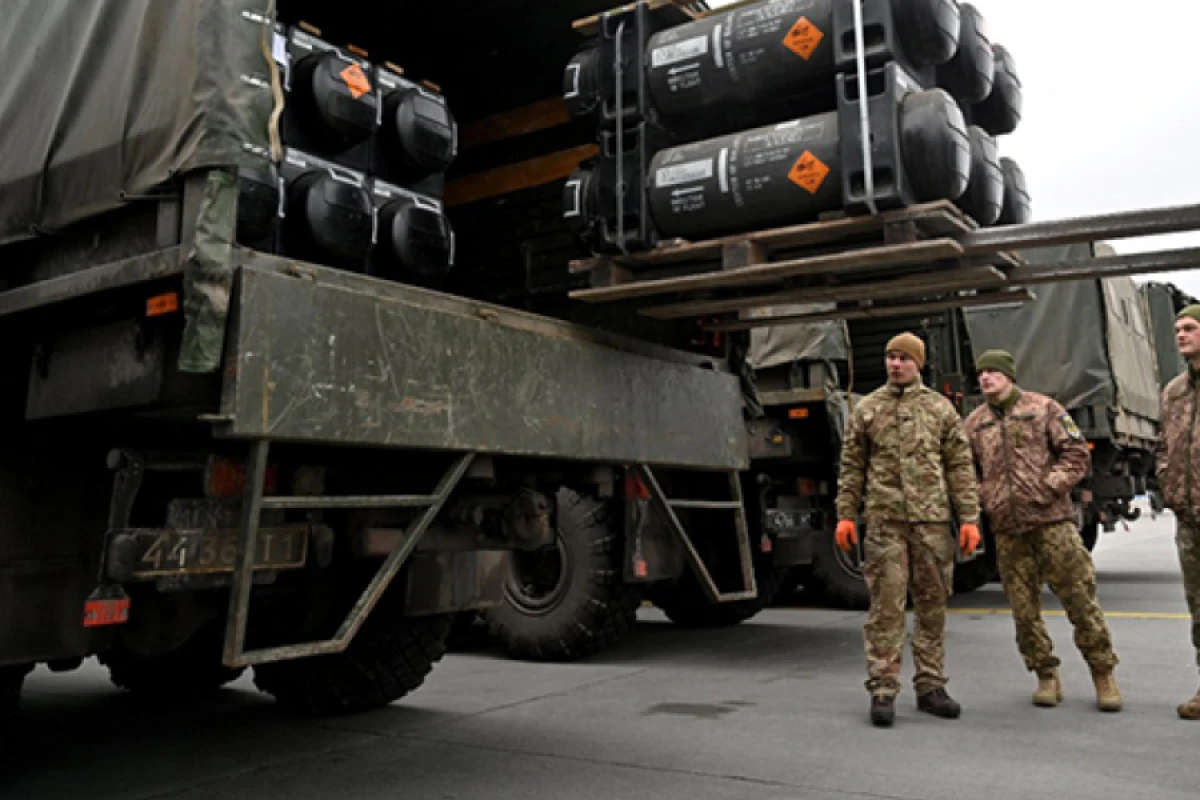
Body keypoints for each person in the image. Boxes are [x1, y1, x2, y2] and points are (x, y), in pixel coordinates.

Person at [835, 332, 981, 728]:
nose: (895, 364)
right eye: (890, 357)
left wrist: (969, 519)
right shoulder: (867, 409)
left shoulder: (940, 410)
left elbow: (960, 467)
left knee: (932, 605)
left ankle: (931, 685)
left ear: (918, 363)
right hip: (885, 523)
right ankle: (883, 688)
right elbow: (851, 467)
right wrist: (846, 514)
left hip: (932, 523)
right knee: (886, 607)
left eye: (903, 358)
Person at [963, 349, 1121, 711]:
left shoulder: (1043, 408)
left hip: (1052, 524)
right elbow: (963, 471)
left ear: (1009, 376)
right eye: (981, 373)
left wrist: (1050, 485)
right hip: (1007, 530)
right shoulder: (974, 424)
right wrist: (984, 497)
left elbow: (1077, 453)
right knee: (1024, 611)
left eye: (993, 372)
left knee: (1080, 599)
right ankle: (1045, 675)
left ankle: (1103, 673)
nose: (986, 378)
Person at [1156, 305, 1200, 720]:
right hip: (1189, 518)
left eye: (1189, 328)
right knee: (1199, 607)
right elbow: (1163, 444)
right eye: (1177, 329)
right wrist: (1167, 479)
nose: (1181, 335)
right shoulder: (1173, 392)